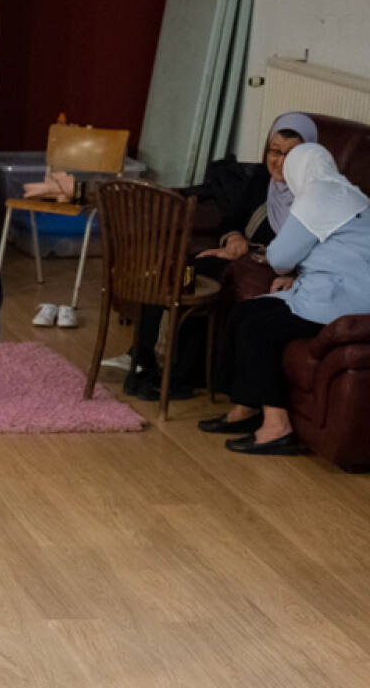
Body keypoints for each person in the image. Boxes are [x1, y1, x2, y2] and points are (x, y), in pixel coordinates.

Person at [126, 112, 318, 400]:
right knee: (177, 272)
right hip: (241, 253)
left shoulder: (316, 194)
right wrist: (234, 238)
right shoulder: (263, 179)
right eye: (274, 152)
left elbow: (321, 247)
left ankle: (180, 376)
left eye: (290, 154)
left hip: (277, 265)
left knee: (206, 278)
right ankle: (144, 363)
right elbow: (232, 218)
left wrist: (294, 274)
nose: (279, 162)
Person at [201, 142, 370, 455]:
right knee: (246, 312)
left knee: (256, 328)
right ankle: (246, 407)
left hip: (343, 301)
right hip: (344, 291)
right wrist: (295, 278)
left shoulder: (317, 195)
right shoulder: (350, 193)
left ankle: (277, 426)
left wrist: (290, 270)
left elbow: (280, 258)